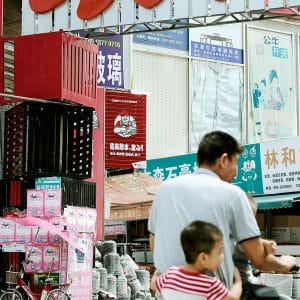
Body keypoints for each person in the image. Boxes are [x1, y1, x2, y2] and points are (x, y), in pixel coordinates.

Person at [148, 131, 296, 291]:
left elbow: (154, 245)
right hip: (213, 294)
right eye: (236, 162)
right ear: (223, 160)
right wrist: (286, 264)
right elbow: (258, 259)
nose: (237, 171)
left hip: (168, 294)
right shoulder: (233, 194)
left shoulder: (165, 188)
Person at [151, 221, 242, 300]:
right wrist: (238, 280)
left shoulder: (171, 274)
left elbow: (153, 284)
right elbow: (233, 298)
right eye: (220, 252)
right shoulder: (210, 284)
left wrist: (157, 272)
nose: (222, 257)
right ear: (203, 258)